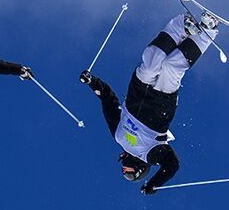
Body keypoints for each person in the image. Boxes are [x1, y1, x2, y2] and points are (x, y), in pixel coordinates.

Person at [78, 12, 220, 194]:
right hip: (161, 104)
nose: (125, 170)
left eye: (124, 172)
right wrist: (154, 183)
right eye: (129, 174)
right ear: (140, 170)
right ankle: (207, 31)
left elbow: (108, 100)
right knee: (171, 67)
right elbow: (172, 165)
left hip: (137, 92)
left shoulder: (119, 135)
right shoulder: (151, 154)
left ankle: (182, 26)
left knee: (151, 61)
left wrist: (92, 82)